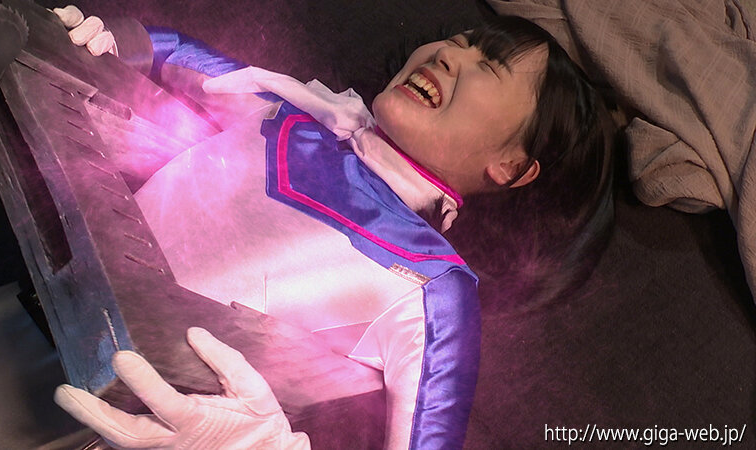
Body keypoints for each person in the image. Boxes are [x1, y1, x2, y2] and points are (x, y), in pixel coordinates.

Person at [50, 5, 614, 449]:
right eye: (458, 40)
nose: (448, 54)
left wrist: (260, 444)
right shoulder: (289, 112)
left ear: (511, 166)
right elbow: (168, 51)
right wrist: (100, 42)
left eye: (487, 65)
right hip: (35, 299)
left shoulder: (434, 287)